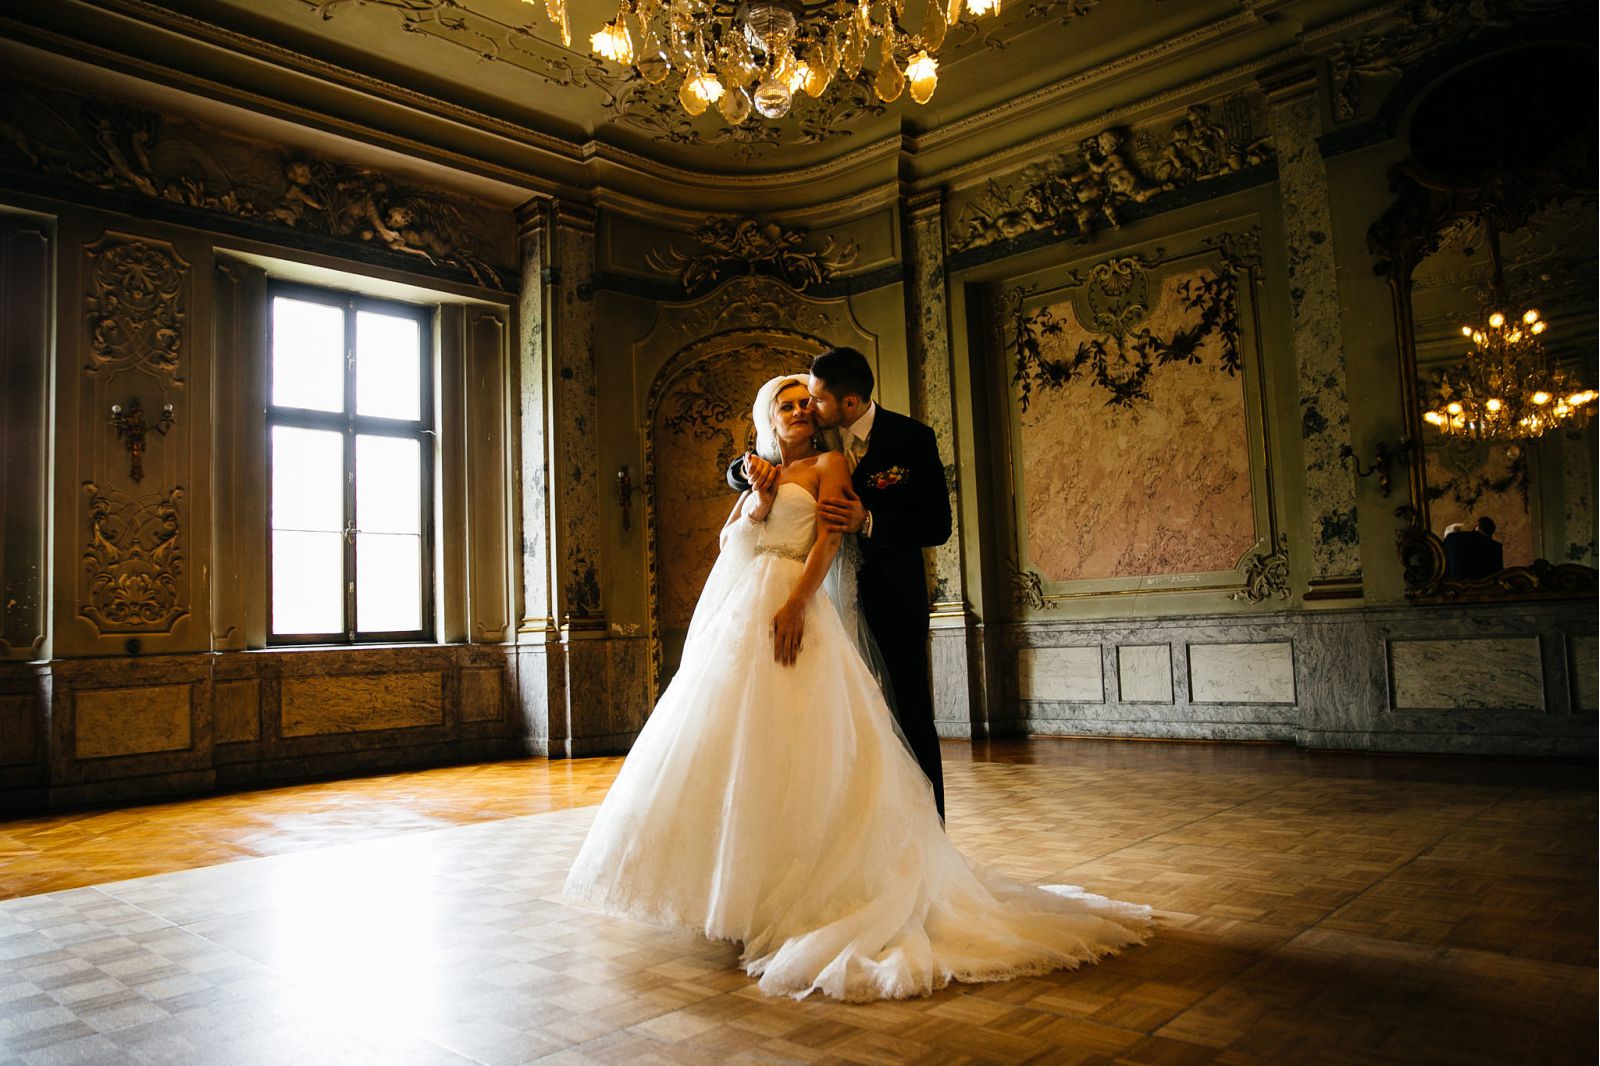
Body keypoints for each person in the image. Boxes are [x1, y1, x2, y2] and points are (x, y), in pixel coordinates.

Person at [563, 375, 1151, 1003]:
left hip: (797, 602)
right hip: (744, 614)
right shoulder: (758, 471)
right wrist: (758, 498)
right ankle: (742, 892)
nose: (798, 410)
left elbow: (827, 539)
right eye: (786, 405)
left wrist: (796, 604)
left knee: (811, 741)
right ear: (768, 418)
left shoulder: (830, 464)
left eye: (804, 402)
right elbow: (731, 541)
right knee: (738, 745)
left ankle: (815, 886)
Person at [731, 347, 952, 820]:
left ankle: (928, 827)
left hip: (889, 593)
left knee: (907, 708)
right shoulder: (816, 426)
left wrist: (869, 521)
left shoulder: (911, 439)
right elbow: (765, 445)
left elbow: (937, 525)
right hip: (821, 592)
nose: (807, 408)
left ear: (848, 403)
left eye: (815, 400)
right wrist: (744, 469)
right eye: (801, 401)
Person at [1443, 515, 1504, 580]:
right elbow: (1498, 575)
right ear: (1491, 533)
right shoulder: (1496, 547)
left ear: (1476, 525)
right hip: (1482, 585)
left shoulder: (1453, 538)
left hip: (1455, 584)